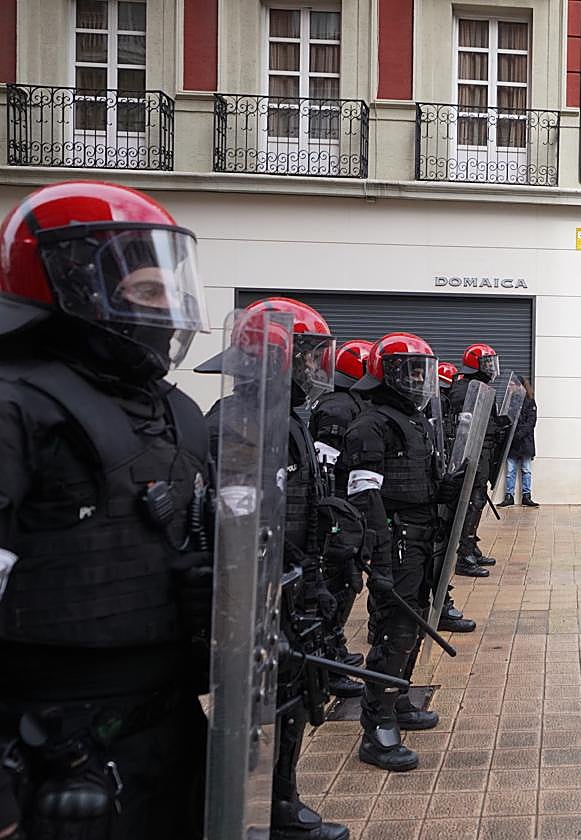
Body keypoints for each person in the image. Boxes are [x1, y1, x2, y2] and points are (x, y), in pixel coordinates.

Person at [0, 182, 214, 840]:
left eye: (172, 290)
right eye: (147, 292)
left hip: (172, 731)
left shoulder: (177, 410)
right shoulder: (15, 407)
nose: (168, 310)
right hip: (55, 755)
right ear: (72, 284)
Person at [198, 297, 351, 839]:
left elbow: (297, 506)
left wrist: (316, 575)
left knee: (292, 699)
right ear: (276, 357)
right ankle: (252, 810)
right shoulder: (235, 422)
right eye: (308, 356)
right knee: (257, 707)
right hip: (255, 593)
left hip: (291, 587)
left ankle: (281, 801)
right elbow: (241, 523)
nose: (316, 367)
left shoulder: (285, 419)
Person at [345, 333, 456, 771]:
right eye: (408, 371)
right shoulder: (371, 425)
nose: (417, 380)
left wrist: (444, 490)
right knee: (395, 629)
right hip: (395, 537)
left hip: (421, 534)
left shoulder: (417, 421)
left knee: (415, 620)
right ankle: (377, 726)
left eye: (420, 372)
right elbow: (364, 496)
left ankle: (399, 698)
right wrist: (378, 555)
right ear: (386, 373)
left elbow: (418, 481)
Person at [309, 339, 375, 694]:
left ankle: (332, 648)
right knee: (338, 584)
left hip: (345, 514)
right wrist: (338, 522)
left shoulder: (348, 402)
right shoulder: (337, 408)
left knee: (345, 583)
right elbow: (326, 471)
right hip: (337, 517)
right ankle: (327, 661)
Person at [448, 343, 503, 577]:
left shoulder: (481, 388)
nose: (491, 368)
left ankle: (471, 547)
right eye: (487, 363)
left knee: (478, 500)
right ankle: (464, 556)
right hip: (473, 454)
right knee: (472, 501)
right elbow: (467, 425)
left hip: (484, 452)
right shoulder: (465, 389)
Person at [501, 376, 538, 507]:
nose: (509, 387)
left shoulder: (529, 401)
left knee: (526, 470)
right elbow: (507, 418)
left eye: (512, 385)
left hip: (525, 441)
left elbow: (531, 422)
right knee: (510, 471)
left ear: (519, 386)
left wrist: (519, 434)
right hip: (513, 442)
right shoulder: (510, 400)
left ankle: (526, 496)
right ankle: (509, 496)